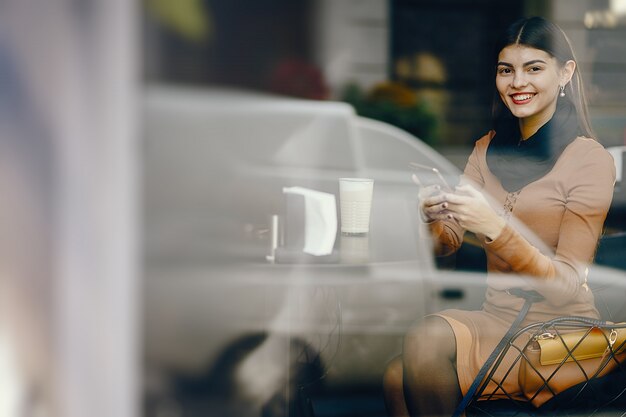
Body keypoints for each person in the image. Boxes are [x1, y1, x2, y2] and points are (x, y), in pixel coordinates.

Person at [382, 16, 616, 417]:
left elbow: (565, 285)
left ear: (566, 73)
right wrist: (433, 216)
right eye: (506, 70)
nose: (517, 82)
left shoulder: (589, 160)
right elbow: (446, 246)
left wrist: (495, 227)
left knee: (423, 341)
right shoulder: (485, 149)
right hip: (497, 322)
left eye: (534, 68)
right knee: (395, 376)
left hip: (559, 335)